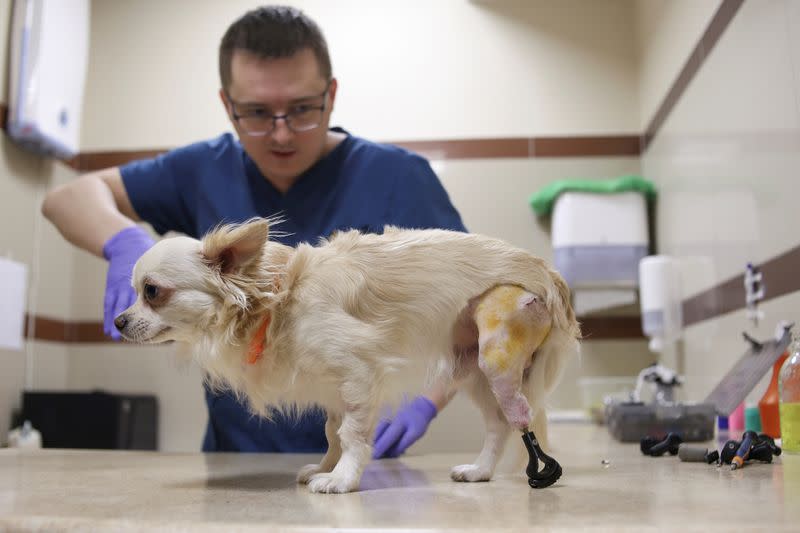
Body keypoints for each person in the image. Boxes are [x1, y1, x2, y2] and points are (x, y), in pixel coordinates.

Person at [42, 5, 466, 457]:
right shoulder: (202, 169)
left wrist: (426, 401)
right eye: (258, 113)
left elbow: (468, 311)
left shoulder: (399, 178)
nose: (281, 134)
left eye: (302, 109)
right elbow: (66, 199)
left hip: (360, 462)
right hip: (234, 462)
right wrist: (124, 241)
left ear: (332, 94)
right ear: (227, 104)